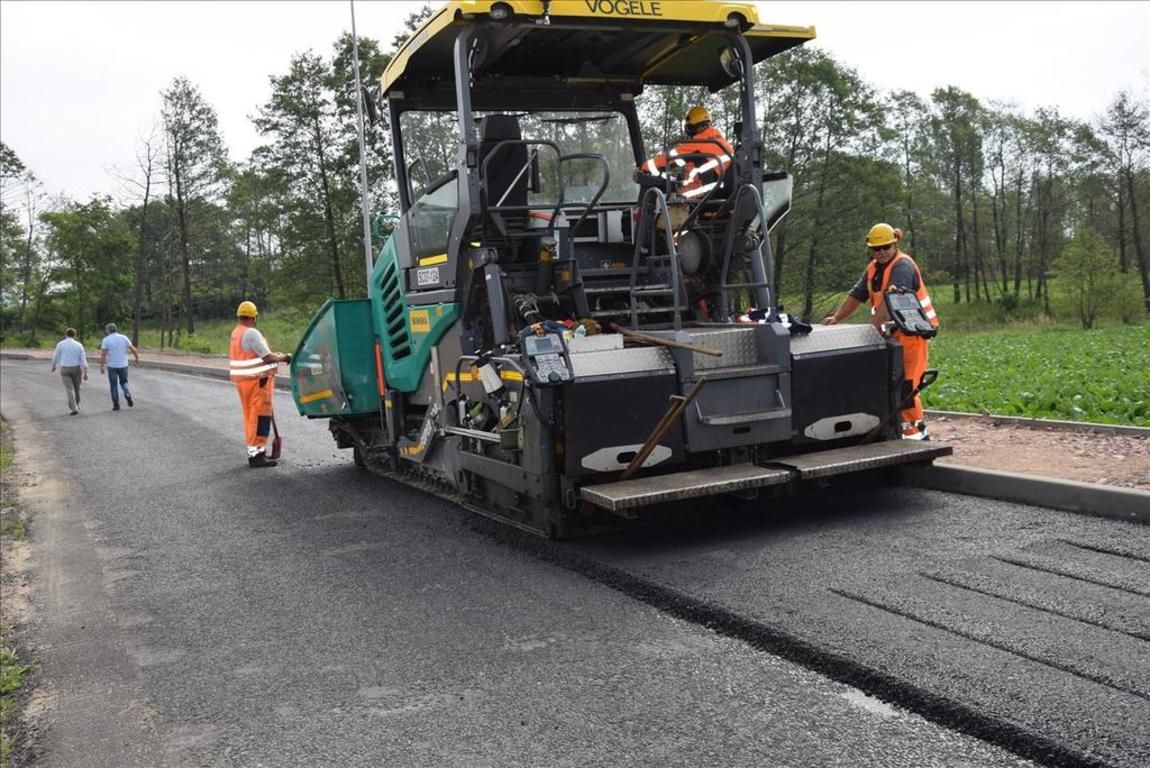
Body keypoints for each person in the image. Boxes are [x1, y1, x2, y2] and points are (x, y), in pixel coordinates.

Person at [823, 223, 939, 440]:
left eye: (886, 247)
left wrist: (871, 330)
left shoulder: (903, 267)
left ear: (894, 244)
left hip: (912, 335)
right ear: (870, 249)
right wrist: (837, 317)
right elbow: (856, 296)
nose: (882, 252)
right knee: (891, 385)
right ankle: (896, 431)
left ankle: (915, 434)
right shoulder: (873, 269)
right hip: (893, 336)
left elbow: (889, 305)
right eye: (877, 249)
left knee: (906, 387)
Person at [230, 301, 291, 468]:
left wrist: (274, 355)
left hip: (244, 382)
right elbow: (267, 357)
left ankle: (254, 452)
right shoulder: (251, 333)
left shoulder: (237, 332)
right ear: (254, 317)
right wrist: (285, 357)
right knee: (260, 417)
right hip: (258, 382)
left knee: (250, 417)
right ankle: (257, 455)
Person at [635, 105, 734, 200]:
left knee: (647, 182)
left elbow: (668, 159)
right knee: (669, 184)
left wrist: (643, 168)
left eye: (689, 128)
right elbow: (693, 166)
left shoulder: (698, 142)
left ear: (694, 127)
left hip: (701, 194)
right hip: (720, 193)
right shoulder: (723, 142)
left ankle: (640, 215)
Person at [99, 323, 140, 411]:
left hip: (112, 365)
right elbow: (133, 349)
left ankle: (116, 405)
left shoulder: (106, 340)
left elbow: (103, 354)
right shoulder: (124, 337)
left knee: (113, 385)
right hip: (123, 364)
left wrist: (102, 366)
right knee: (124, 381)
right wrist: (136, 358)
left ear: (108, 331)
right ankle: (127, 392)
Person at [50, 327, 89, 415]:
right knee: (77, 388)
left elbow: (56, 356)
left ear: (66, 334)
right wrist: (85, 372)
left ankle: (73, 407)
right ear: (75, 335)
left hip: (65, 369)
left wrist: (54, 366)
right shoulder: (79, 345)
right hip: (76, 369)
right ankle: (77, 405)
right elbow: (83, 359)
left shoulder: (60, 344)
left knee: (69, 389)